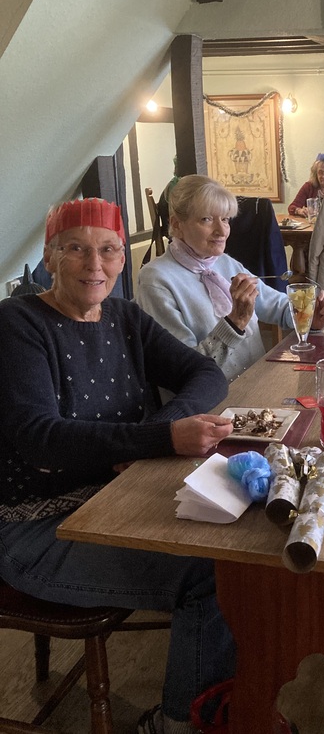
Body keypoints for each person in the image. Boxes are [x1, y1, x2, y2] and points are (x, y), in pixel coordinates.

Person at [0, 198, 236, 734]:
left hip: (115, 503)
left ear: (122, 258)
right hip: (34, 527)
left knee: (240, 540)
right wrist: (158, 438)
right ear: (49, 256)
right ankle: (180, 723)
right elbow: (40, 440)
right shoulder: (17, 324)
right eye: (76, 250)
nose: (94, 265)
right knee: (212, 572)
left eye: (107, 250)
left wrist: (164, 431)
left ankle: (230, 696)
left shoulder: (124, 317)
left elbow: (206, 375)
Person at [137, 175, 324, 382]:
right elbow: (182, 370)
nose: (221, 231)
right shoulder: (155, 280)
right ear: (177, 225)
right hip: (208, 403)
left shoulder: (223, 262)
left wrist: (309, 316)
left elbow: (275, 305)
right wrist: (234, 322)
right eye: (207, 219)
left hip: (253, 386)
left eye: (225, 219)